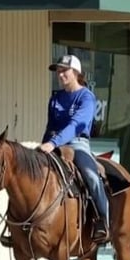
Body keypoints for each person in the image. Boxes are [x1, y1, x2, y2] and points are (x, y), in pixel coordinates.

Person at [39, 54, 111, 244]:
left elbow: (76, 125)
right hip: (55, 144)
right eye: (58, 71)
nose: (60, 75)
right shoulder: (55, 99)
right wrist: (45, 145)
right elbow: (50, 127)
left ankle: (103, 221)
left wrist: (52, 143)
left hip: (77, 144)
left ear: (76, 73)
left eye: (64, 71)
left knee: (91, 176)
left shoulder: (86, 97)